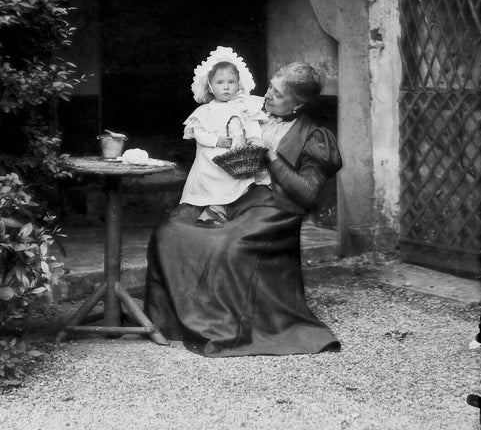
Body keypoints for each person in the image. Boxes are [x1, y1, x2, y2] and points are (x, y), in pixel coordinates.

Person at [144, 61, 343, 357]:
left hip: (276, 208)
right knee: (169, 230)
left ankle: (220, 325)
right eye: (270, 88)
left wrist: (272, 157)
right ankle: (168, 321)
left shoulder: (314, 137)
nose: (268, 96)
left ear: (298, 103)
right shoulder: (254, 111)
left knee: (227, 244)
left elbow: (308, 194)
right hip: (237, 195)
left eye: (278, 94)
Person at [180, 46, 267, 227]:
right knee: (210, 173)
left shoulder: (243, 105)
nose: (226, 87)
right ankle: (213, 208)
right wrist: (216, 140)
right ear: (211, 87)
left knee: (242, 182)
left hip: (238, 156)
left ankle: (233, 206)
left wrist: (253, 139)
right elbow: (199, 133)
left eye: (231, 82)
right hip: (213, 157)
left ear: (238, 84)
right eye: (220, 83)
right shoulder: (206, 111)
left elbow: (252, 125)